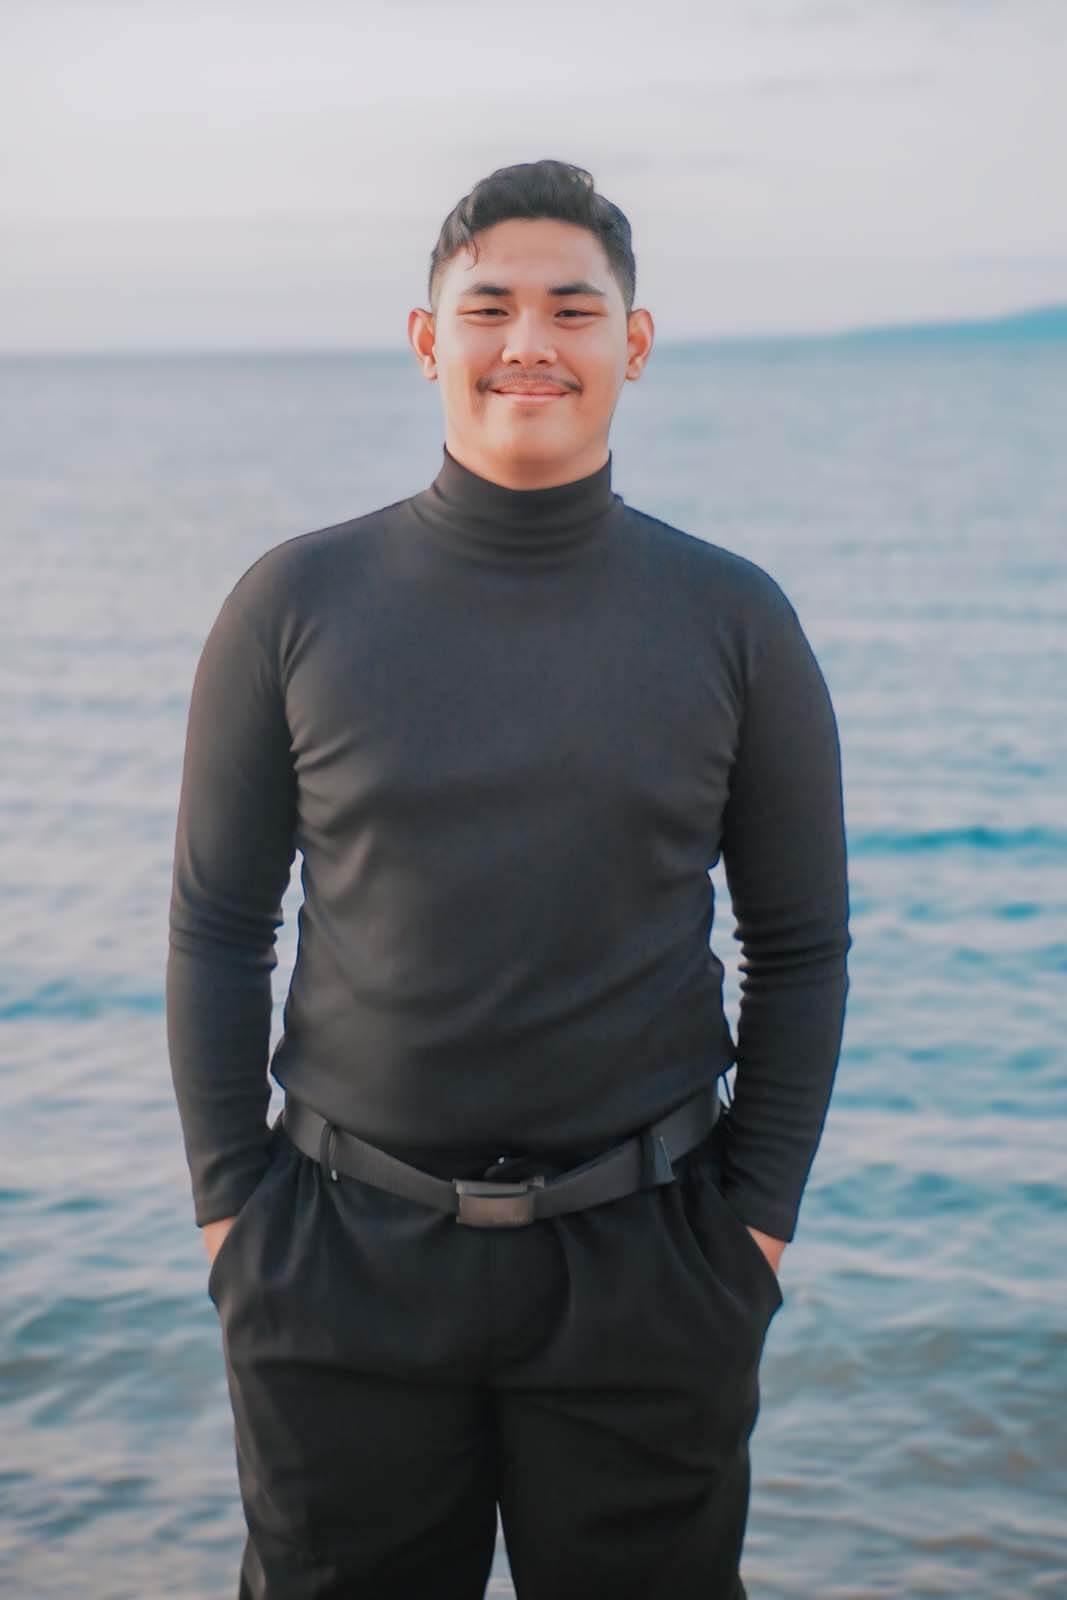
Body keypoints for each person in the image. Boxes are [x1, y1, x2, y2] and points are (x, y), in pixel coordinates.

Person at [166, 158, 852, 1600]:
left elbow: (800, 948)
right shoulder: (294, 606)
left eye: (572, 309)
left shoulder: (734, 620)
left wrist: (752, 1233)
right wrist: (237, 1217)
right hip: (337, 1262)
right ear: (430, 340)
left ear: (633, 344)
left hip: (652, 1268)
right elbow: (219, 930)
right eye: (488, 308)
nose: (529, 342)